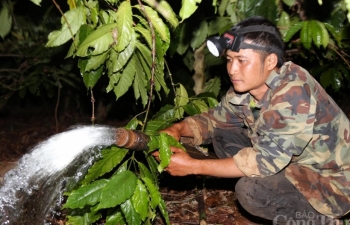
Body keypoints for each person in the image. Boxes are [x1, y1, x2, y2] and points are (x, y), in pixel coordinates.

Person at [152, 16, 350, 224]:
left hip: (335, 183)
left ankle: (324, 221)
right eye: (229, 60)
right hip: (295, 165)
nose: (232, 69)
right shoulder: (247, 90)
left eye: (241, 60)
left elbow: (264, 161)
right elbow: (214, 121)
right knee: (223, 135)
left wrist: (193, 166)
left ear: (271, 61)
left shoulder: (293, 91)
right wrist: (178, 129)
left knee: (251, 191)